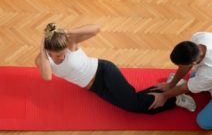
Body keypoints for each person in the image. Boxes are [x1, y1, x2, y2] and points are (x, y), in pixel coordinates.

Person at [35, 23, 194, 114]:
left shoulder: (70, 45)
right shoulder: (42, 59)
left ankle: (174, 98)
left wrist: (68, 32)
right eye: (56, 56)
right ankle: (171, 89)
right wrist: (42, 48)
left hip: (104, 72)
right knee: (133, 102)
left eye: (62, 54)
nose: (60, 57)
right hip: (95, 88)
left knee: (134, 105)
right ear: (47, 52)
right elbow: (47, 77)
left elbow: (96, 28)